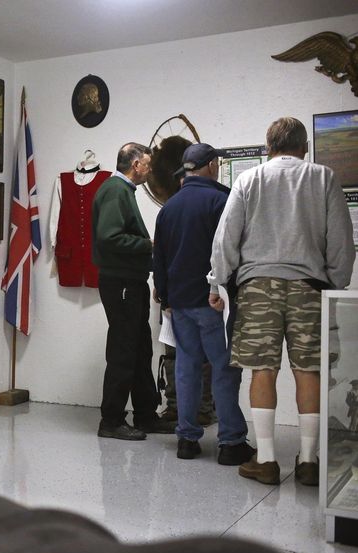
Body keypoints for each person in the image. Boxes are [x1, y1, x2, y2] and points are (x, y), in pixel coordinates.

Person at [209, 117, 355, 485]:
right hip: (310, 287)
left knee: (262, 370)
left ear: (268, 146)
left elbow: (225, 239)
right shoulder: (324, 177)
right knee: (310, 371)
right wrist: (333, 284)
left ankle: (267, 460)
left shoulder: (249, 179)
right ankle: (308, 461)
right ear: (305, 147)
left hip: (258, 287)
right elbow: (342, 241)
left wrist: (221, 281)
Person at [153, 143, 253, 463]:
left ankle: (186, 439)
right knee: (224, 368)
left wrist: (165, 297)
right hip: (214, 301)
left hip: (179, 303)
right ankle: (231, 442)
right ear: (211, 165)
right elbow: (230, 252)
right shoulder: (221, 201)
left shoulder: (169, 207)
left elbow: (159, 257)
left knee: (186, 368)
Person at [92, 142, 175, 440]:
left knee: (140, 350)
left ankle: (145, 416)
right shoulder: (116, 190)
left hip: (131, 281)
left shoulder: (123, 190)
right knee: (124, 350)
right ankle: (111, 420)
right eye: (148, 165)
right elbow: (109, 237)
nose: (150, 170)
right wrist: (147, 244)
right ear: (136, 164)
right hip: (121, 282)